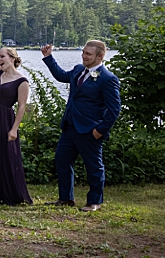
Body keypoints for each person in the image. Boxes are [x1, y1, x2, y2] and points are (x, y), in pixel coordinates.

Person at [41, 40, 121, 211]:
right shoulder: (78, 70)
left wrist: (100, 130)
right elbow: (62, 76)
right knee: (61, 160)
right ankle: (66, 198)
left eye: (88, 54)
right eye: (83, 52)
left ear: (100, 56)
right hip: (70, 126)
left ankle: (95, 202)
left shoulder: (108, 79)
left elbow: (114, 110)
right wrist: (48, 57)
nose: (84, 56)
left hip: (90, 130)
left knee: (93, 167)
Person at [0, 18, 33, 206]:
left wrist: (14, 129)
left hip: (5, 120)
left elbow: (22, 107)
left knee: (6, 157)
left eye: (3, 57)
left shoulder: (22, 81)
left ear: (12, 58)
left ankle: (9, 193)